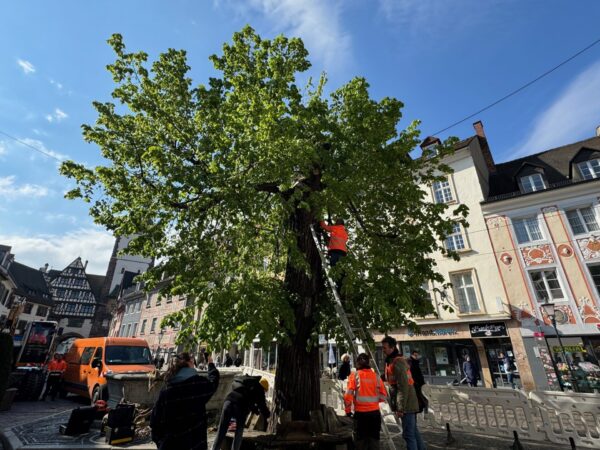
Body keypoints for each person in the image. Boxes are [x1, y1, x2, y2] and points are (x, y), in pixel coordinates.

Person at [150, 352, 219, 450]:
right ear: (190, 362)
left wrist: (161, 442)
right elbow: (213, 382)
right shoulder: (197, 384)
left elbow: (154, 422)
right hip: (195, 444)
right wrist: (211, 364)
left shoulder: (166, 390)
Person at [382, 337, 426, 450]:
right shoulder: (391, 361)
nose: (383, 350)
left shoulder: (398, 361)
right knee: (413, 432)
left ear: (392, 347)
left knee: (408, 435)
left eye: (385, 347)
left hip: (407, 403)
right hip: (406, 401)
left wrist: (400, 408)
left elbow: (403, 386)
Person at [211, 376, 270, 450]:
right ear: (264, 387)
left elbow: (248, 400)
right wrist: (268, 415)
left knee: (221, 430)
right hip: (240, 406)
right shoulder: (259, 389)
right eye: (265, 391)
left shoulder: (247, 385)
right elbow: (262, 406)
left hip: (228, 401)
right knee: (238, 432)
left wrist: (255, 410)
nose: (264, 392)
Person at [344, 353, 387, 450]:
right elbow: (384, 396)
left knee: (360, 442)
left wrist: (347, 410)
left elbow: (348, 395)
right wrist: (373, 401)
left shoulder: (354, 376)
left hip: (361, 415)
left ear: (357, 363)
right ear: (368, 363)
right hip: (375, 414)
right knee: (374, 441)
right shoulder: (376, 376)